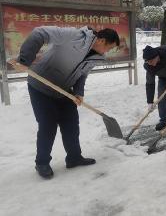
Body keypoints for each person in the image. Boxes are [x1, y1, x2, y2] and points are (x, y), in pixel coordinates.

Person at [9, 26, 120, 179]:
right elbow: (39, 33)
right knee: (48, 124)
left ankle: (74, 158)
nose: (106, 52)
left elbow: (82, 75)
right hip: (40, 86)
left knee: (71, 124)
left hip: (64, 90)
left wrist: (79, 92)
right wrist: (24, 60)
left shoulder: (96, 57)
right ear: (101, 40)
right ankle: (42, 162)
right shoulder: (74, 36)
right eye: (108, 47)